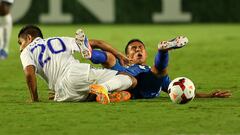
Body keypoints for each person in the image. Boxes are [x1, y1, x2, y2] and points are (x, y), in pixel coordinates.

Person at [75, 29, 231, 99]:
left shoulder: (150, 69)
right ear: (128, 54)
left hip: (145, 84)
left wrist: (208, 95)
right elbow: (100, 45)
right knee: (109, 58)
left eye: (140, 48)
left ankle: (163, 51)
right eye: (133, 49)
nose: (137, 50)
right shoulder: (123, 64)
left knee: (159, 72)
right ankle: (89, 53)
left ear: (146, 54)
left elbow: (178, 89)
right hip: (124, 79)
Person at [18, 25, 137, 104]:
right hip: (77, 73)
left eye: (20, 43)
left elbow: (29, 73)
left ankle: (103, 94)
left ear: (29, 38)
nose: (20, 48)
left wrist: (35, 99)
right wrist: (120, 55)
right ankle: (104, 88)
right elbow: (98, 43)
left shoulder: (26, 52)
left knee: (88, 94)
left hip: (61, 94)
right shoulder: (57, 40)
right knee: (130, 79)